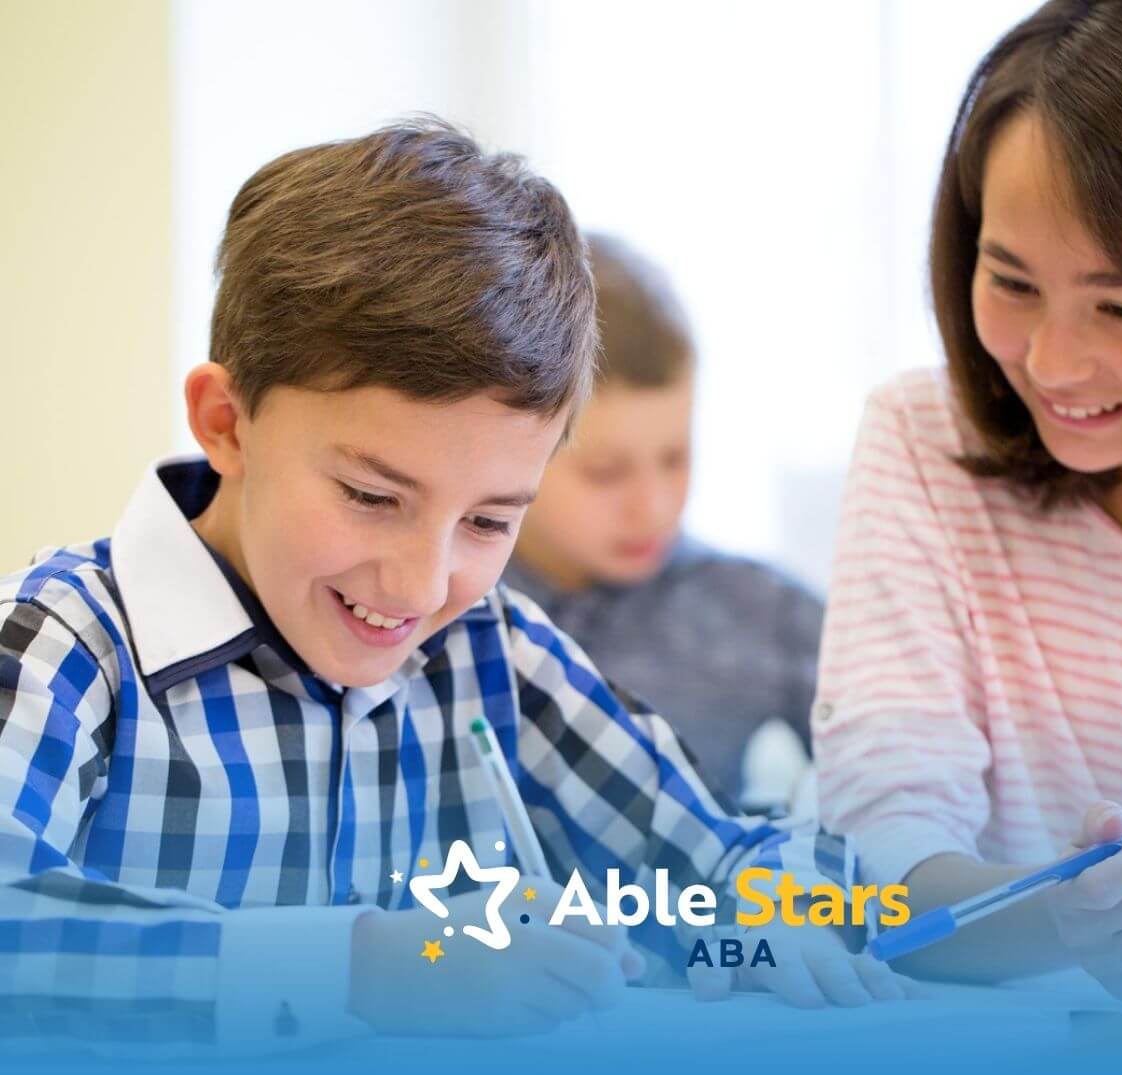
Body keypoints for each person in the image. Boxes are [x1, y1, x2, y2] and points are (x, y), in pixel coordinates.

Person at [0, 119, 902, 1057]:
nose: (424, 585)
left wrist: (778, 918)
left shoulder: (489, 649)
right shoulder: (66, 643)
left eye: (488, 521)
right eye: (370, 495)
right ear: (227, 423)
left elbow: (725, 858)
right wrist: (363, 968)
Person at [816, 0, 1122, 999]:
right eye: (1010, 280)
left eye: (1120, 307)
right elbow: (878, 868)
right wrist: (1054, 914)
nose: (1048, 362)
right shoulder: (923, 444)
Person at [505, 233, 818, 811]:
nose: (653, 507)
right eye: (605, 472)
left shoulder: (757, 608)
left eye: (676, 458)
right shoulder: (443, 602)